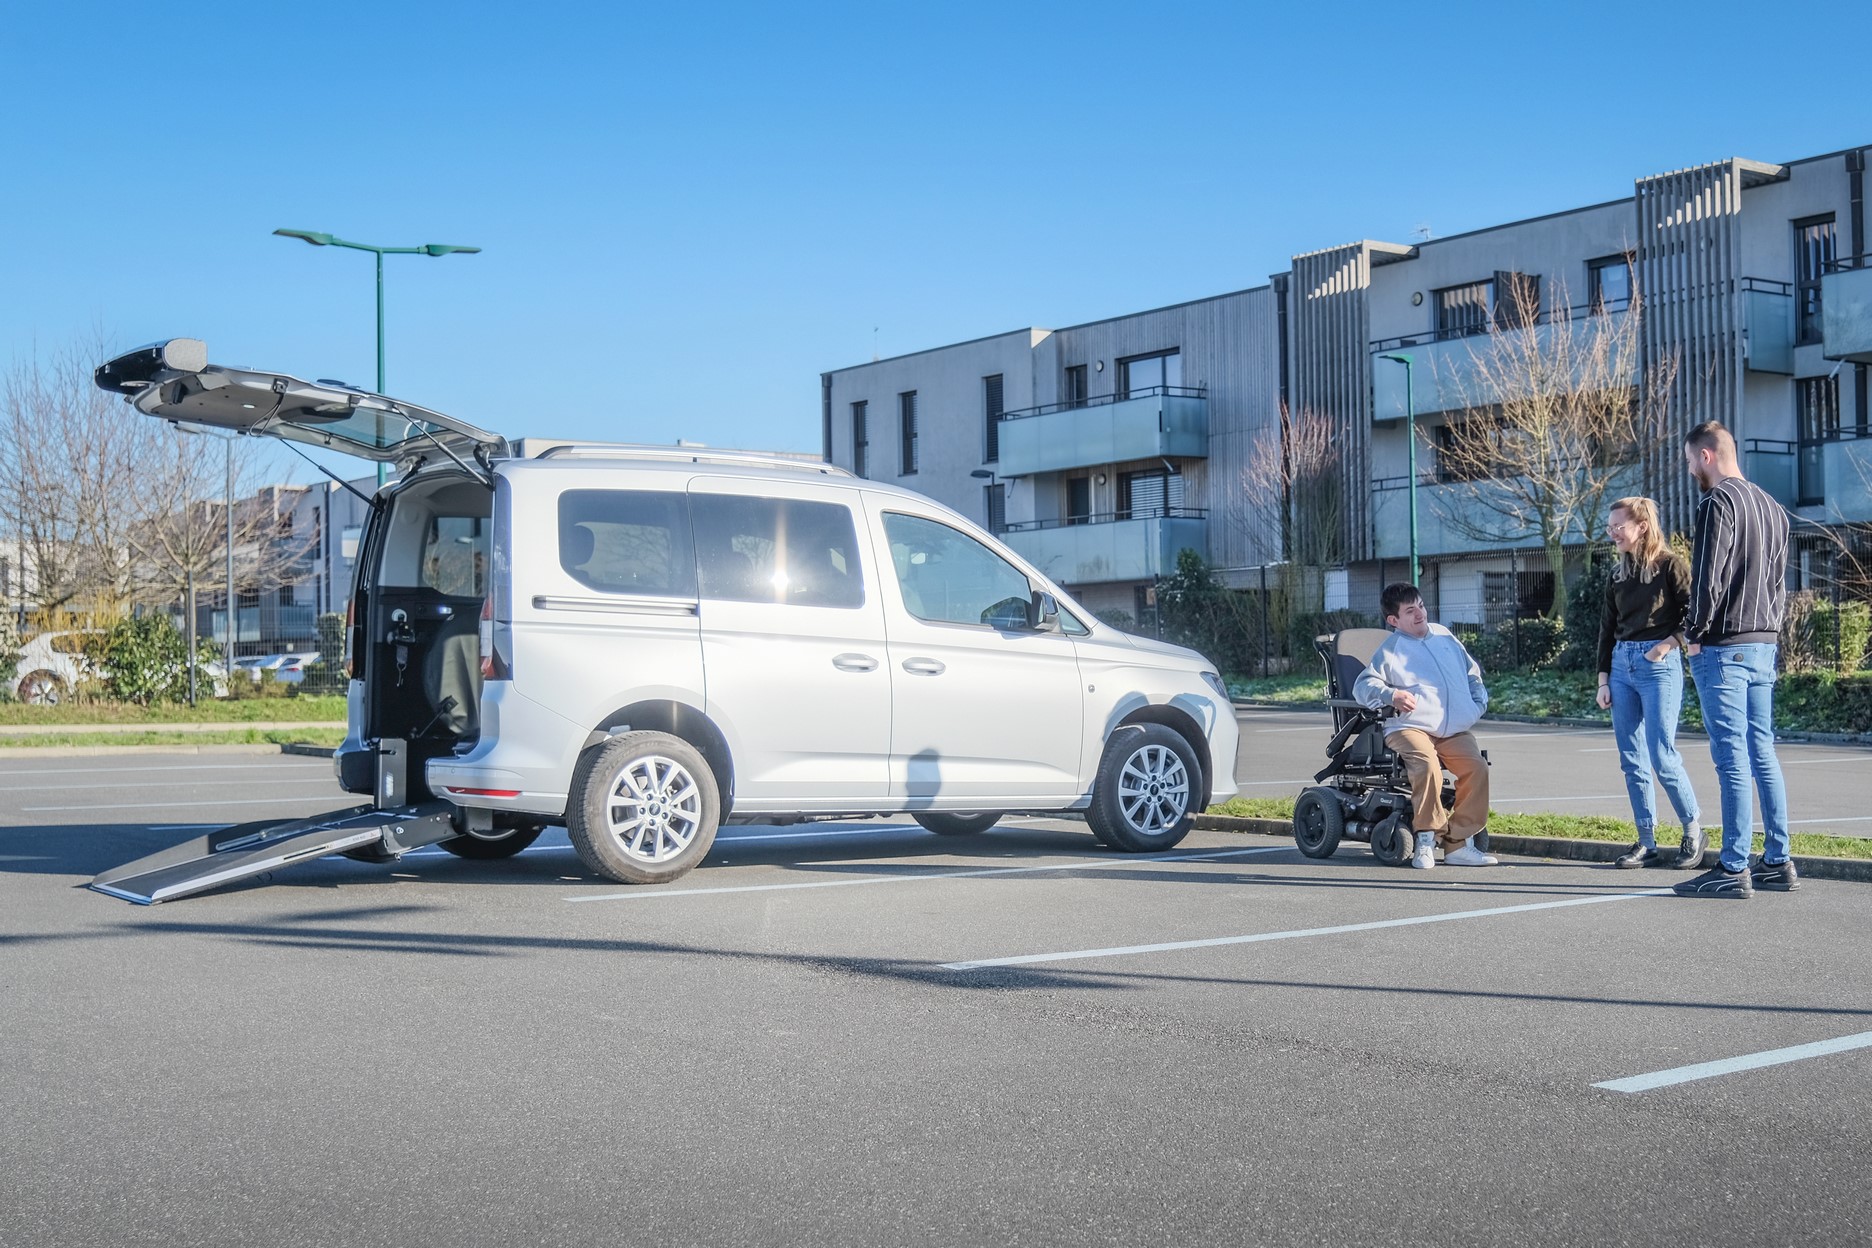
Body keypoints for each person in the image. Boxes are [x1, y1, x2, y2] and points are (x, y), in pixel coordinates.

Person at [1675, 420, 1795, 900]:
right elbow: (1779, 585)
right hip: (1763, 641)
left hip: (1723, 645)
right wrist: (1771, 633)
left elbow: (1709, 575)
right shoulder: (1774, 509)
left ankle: (1732, 867)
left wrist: (1694, 633)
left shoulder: (1718, 502)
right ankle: (1778, 861)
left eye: (1689, 461)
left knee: (1732, 758)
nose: (1690, 471)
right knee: (1761, 751)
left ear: (1706, 456)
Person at [1353, 582, 1497, 870]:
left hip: (1452, 728)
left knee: (1477, 768)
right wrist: (1391, 695)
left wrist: (1477, 703)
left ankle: (1457, 844)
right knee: (1428, 766)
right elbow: (1363, 686)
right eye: (1410, 610)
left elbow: (1472, 674)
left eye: (1420, 605)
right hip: (1409, 726)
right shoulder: (1391, 649)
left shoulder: (1445, 637)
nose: (1420, 614)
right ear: (1394, 621)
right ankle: (1426, 839)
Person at [1594, 496, 1703, 869]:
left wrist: (1667, 645)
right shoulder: (1616, 574)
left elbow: (1695, 614)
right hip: (1622, 666)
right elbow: (1607, 627)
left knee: (1661, 754)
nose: (1612, 533)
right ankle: (1647, 841)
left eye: (1618, 526)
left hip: (1659, 665)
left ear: (1641, 526)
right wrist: (1603, 678)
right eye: (1610, 527)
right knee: (1632, 758)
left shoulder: (1672, 566)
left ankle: (1692, 830)